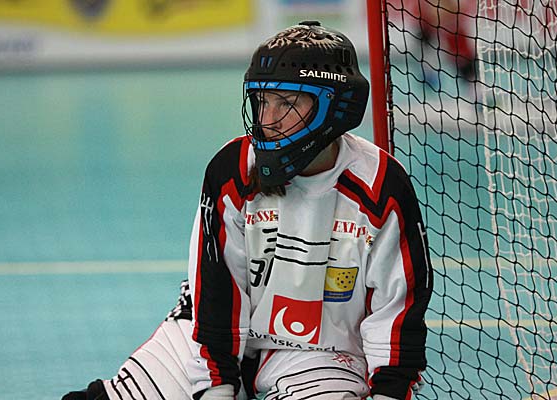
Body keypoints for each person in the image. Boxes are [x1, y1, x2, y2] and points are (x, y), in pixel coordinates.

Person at [62, 20, 433, 400]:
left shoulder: (381, 187)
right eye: (262, 101)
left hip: (322, 354)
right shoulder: (233, 170)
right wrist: (217, 385)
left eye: (287, 103)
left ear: (335, 106)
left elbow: (396, 312)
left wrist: (389, 391)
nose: (267, 121)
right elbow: (216, 292)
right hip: (206, 337)